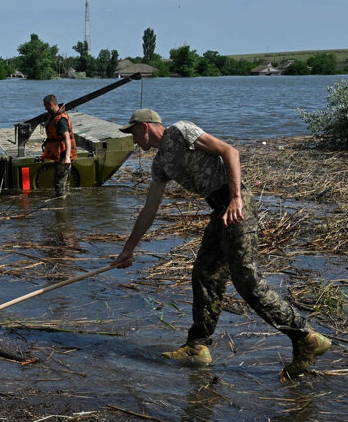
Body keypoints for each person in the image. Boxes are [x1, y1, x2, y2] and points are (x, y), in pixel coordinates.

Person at [111, 108, 330, 380]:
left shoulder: (180, 131)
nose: (132, 140)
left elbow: (230, 152)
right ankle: (198, 346)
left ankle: (305, 336)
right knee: (205, 274)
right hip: (219, 211)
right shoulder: (160, 164)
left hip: (236, 205)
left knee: (246, 279)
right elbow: (149, 209)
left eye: (132, 133)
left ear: (145, 126)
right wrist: (129, 248)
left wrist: (236, 198)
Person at [41, 94, 75, 196]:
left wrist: (68, 157)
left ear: (51, 104)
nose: (45, 108)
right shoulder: (54, 116)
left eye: (45, 106)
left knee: (59, 182)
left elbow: (67, 138)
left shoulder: (61, 120)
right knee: (64, 180)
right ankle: (65, 202)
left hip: (63, 154)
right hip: (59, 153)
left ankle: (61, 204)